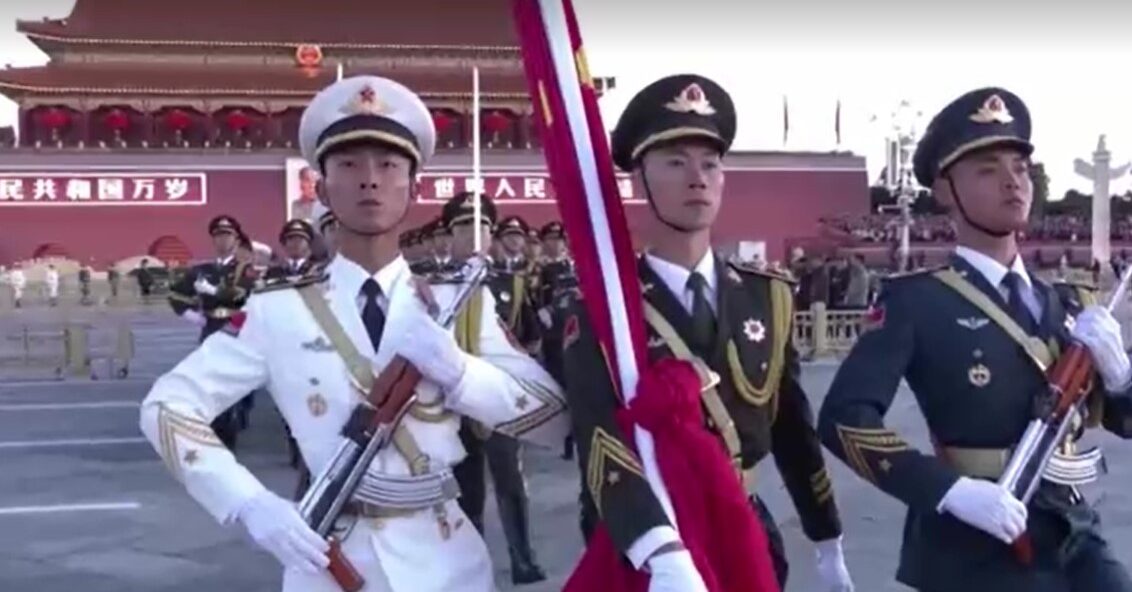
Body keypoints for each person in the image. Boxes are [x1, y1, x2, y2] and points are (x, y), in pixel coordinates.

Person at [138, 75, 568, 592]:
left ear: (415, 186)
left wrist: (461, 375)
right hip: (330, 558)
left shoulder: (462, 305)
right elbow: (167, 406)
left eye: (388, 165)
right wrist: (249, 504)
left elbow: (553, 419)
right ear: (320, 188)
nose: (370, 180)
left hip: (447, 561)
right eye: (348, 165)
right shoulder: (279, 310)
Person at [817, 87, 1132, 592]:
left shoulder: (1069, 303)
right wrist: (949, 492)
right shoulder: (915, 302)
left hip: (1073, 530)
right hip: (976, 542)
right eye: (988, 170)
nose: (1013, 182)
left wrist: (1121, 377)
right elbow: (843, 418)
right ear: (945, 191)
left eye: (1021, 168)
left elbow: (1125, 420)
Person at [563, 74, 853, 591]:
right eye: (675, 162)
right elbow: (599, 441)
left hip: (745, 532)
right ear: (638, 181)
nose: (697, 177)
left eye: (710, 163)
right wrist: (656, 547)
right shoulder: (604, 310)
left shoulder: (770, 297)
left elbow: (791, 429)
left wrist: (826, 536)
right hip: (648, 543)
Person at [443, 193, 547, 585]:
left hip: (500, 403)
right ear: (449, 234)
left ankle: (523, 557)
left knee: (512, 485)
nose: (474, 234)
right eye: (464, 227)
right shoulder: (432, 285)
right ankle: (471, 565)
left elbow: (530, 338)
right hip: (454, 404)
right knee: (464, 490)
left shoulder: (511, 284)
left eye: (483, 226)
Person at [165, 215, 256, 450]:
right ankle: (218, 431)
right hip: (210, 330)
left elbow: (241, 295)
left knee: (235, 383)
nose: (222, 240)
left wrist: (213, 290)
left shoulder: (245, 269)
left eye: (227, 236)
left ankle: (235, 422)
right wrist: (189, 314)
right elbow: (175, 294)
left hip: (237, 329)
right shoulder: (202, 269)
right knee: (210, 383)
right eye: (218, 236)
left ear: (236, 240)